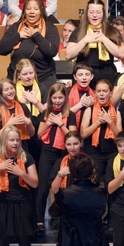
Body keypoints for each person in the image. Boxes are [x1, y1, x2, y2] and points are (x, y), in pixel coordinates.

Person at [35, 83, 75, 234]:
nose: (57, 101)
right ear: (50, 98)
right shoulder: (46, 113)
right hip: (47, 153)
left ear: (65, 98)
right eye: (54, 98)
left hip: (62, 154)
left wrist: (60, 124)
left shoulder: (70, 114)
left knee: (60, 188)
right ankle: (39, 220)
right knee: (43, 188)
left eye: (60, 98)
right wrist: (49, 123)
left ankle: (57, 217)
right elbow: (39, 135)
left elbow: (72, 137)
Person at [0, 0, 60, 92]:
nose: (32, 12)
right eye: (28, 9)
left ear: (41, 11)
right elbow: (2, 49)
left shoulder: (50, 28)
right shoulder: (16, 27)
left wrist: (36, 34)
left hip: (43, 79)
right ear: (24, 11)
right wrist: (18, 36)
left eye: (36, 9)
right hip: (16, 78)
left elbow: (52, 51)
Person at [65, 0, 124, 85]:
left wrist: (104, 39)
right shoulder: (79, 31)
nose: (95, 15)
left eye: (98, 12)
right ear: (87, 13)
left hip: (106, 75)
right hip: (84, 75)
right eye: (91, 12)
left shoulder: (112, 31)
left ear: (103, 14)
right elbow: (68, 55)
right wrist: (85, 40)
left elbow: (121, 54)